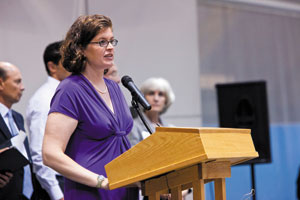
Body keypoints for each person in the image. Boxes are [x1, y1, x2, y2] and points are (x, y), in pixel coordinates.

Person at [42, 14, 138, 200]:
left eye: (112, 41)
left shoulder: (114, 88)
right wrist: (102, 181)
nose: (110, 47)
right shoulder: (70, 90)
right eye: (102, 42)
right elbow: (50, 154)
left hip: (125, 190)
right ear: (81, 49)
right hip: (91, 191)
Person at [26, 41, 70, 200]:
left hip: (69, 178)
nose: (74, 66)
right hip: (56, 183)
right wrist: (57, 194)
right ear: (52, 67)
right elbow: (39, 152)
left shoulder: (66, 93)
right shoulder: (45, 99)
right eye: (68, 61)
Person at [0, 61, 33, 199]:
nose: (23, 87)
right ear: (1, 83)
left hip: (24, 195)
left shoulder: (17, 118)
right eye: (17, 82)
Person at [128, 77, 175, 147]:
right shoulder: (133, 127)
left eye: (160, 94)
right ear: (142, 98)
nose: (156, 99)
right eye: (151, 93)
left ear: (166, 100)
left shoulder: (172, 129)